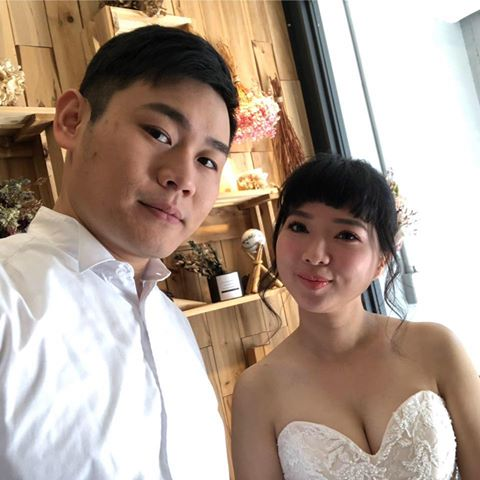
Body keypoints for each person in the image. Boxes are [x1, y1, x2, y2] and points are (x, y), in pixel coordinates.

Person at [0, 25, 238, 480]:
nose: (183, 179)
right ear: (73, 121)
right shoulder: (9, 299)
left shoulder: (171, 323)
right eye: (159, 133)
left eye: (208, 161)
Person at [232, 155, 480, 479]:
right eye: (299, 227)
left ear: (381, 261)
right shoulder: (257, 390)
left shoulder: (436, 348)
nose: (314, 254)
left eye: (346, 235)